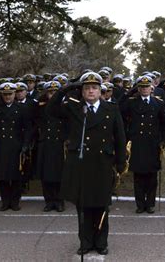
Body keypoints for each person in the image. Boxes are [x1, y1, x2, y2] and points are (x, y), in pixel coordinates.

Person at [46, 72, 126, 256]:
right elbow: (50, 110)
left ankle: (101, 242)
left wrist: (121, 162)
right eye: (87, 88)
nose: (91, 91)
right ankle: (85, 241)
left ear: (100, 91)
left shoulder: (111, 108)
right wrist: (66, 89)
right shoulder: (74, 108)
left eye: (94, 88)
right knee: (82, 206)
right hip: (80, 164)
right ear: (81, 91)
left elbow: (120, 137)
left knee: (101, 204)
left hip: (103, 163)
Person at [119, 76, 165, 214]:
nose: (144, 89)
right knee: (139, 176)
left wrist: (163, 140)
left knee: (152, 176)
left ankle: (150, 204)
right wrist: (129, 92)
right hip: (138, 143)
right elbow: (119, 108)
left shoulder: (158, 103)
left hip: (153, 144)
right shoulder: (132, 103)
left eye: (147, 87)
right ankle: (140, 204)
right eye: (141, 87)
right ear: (138, 89)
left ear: (151, 88)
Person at [0, 82, 31, 211]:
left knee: (16, 176)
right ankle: (5, 202)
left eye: (10, 94)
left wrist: (26, 144)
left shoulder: (21, 108)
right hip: (1, 145)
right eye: (5, 95)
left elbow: (28, 128)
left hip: (16, 145)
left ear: (14, 94)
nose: (7, 97)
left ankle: (15, 202)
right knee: (2, 176)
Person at [35, 81, 66, 212]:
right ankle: (49, 201)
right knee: (46, 175)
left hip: (59, 143)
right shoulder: (41, 107)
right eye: (50, 92)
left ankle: (59, 201)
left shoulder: (64, 107)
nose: (52, 95)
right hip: (46, 143)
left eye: (55, 92)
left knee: (59, 174)